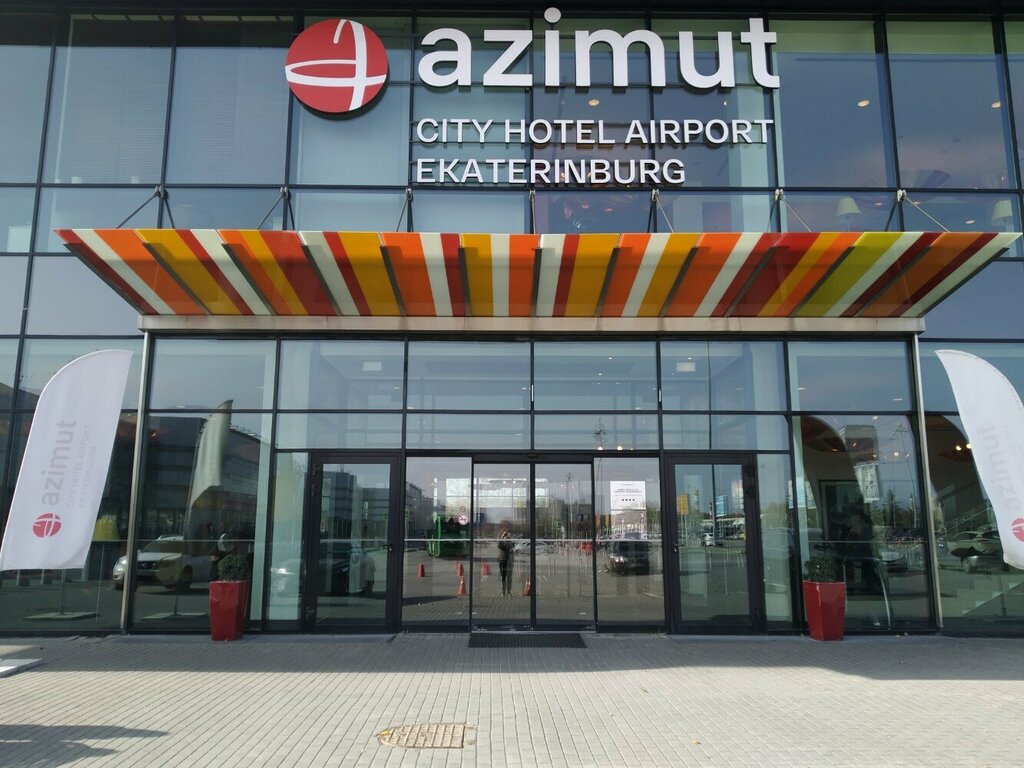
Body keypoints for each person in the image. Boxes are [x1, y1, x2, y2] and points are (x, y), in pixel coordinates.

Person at [497, 528, 515, 597]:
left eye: (507, 536)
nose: (506, 537)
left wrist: (508, 539)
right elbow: (499, 545)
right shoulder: (501, 543)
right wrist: (502, 537)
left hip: (509, 561)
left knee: (509, 577)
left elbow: (510, 547)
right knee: (503, 577)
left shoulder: (510, 543)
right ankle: (503, 591)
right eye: (506, 536)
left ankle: (508, 591)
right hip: (502, 560)